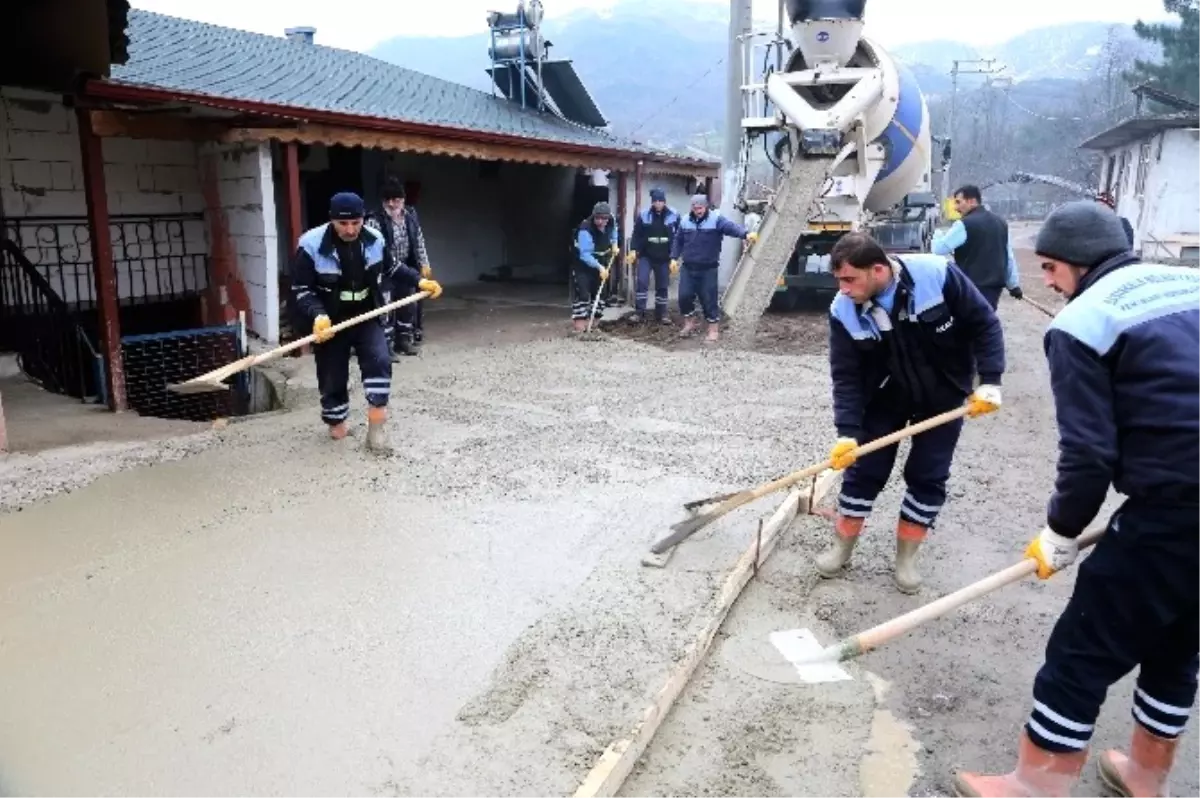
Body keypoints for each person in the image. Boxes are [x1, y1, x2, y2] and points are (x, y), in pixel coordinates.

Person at [953, 201, 1200, 798]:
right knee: (1178, 640)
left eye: (1049, 269)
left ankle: (1036, 785)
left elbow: (1089, 454)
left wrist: (1060, 533)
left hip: (1174, 511)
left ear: (1068, 264)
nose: (1047, 283)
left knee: (1084, 647)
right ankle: (1144, 775)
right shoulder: (1192, 283)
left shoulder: (1082, 322)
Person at [817, 231, 1005, 594]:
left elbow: (984, 324)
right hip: (887, 395)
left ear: (878, 270)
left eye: (849, 279)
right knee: (863, 470)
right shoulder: (843, 310)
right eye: (838, 279)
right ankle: (841, 549)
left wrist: (990, 380)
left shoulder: (936, 275)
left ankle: (906, 559)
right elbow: (847, 374)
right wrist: (847, 431)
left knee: (927, 475)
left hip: (944, 394)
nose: (842, 288)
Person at [290, 191, 442, 452]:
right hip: (330, 321)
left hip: (365, 314)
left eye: (355, 223)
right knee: (332, 376)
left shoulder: (374, 239)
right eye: (343, 224)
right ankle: (337, 424)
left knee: (379, 361)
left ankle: (377, 430)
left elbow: (392, 267)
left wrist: (419, 281)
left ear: (363, 219)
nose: (350, 229)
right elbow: (302, 290)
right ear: (331, 220)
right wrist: (317, 315)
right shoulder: (311, 245)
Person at [669, 194, 758, 342]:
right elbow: (678, 240)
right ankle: (689, 323)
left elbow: (731, 228)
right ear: (692, 208)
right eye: (695, 208)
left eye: (701, 208)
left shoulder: (716, 219)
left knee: (709, 299)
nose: (698, 211)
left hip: (708, 268)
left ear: (706, 207)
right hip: (688, 267)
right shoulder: (685, 220)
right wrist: (673, 258)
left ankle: (713, 330)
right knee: (684, 297)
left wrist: (746, 234)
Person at [365, 178, 433, 358]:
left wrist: (424, 263)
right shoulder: (374, 221)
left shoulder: (411, 217)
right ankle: (386, 346)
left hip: (406, 269)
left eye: (395, 199)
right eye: (387, 200)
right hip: (384, 271)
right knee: (385, 308)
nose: (391, 203)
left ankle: (404, 340)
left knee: (408, 305)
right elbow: (372, 251)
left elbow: (419, 243)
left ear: (403, 200)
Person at [933, 185, 1023, 310]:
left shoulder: (964, 224)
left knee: (970, 325)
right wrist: (1013, 285)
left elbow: (939, 249)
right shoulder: (1001, 222)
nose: (956, 207)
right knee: (986, 323)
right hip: (993, 289)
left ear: (972, 201)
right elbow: (1008, 256)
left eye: (959, 202)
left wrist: (937, 233)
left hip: (970, 287)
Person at [626, 188, 680, 325]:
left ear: (665, 201)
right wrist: (633, 250)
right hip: (646, 256)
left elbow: (679, 237)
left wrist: (674, 256)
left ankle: (662, 313)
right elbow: (637, 234)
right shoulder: (644, 215)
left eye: (660, 201)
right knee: (642, 282)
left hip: (664, 257)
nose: (658, 203)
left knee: (662, 286)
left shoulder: (674, 215)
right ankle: (639, 312)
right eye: (655, 201)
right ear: (652, 202)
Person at [572, 201, 619, 332]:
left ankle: (593, 324)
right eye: (598, 218)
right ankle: (580, 326)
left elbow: (614, 232)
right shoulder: (585, 229)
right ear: (594, 216)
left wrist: (614, 244)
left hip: (602, 261)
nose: (600, 221)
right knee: (583, 294)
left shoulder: (611, 222)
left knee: (601, 294)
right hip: (583, 264)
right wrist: (599, 267)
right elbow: (585, 254)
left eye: (604, 218)